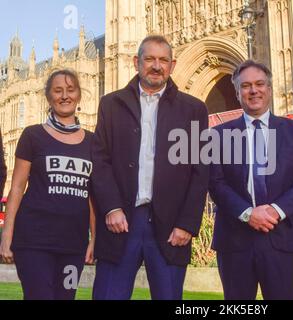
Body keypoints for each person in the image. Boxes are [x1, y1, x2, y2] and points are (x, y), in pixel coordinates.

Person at [91, 35, 209, 300]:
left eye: (163, 60)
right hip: (120, 222)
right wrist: (111, 207)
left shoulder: (193, 109)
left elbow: (200, 172)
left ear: (173, 65)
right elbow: (100, 162)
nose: (157, 66)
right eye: (150, 59)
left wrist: (187, 224)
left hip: (170, 228)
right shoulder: (111, 105)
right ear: (136, 62)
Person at [209, 60, 293, 300]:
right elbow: (215, 183)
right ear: (237, 93)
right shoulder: (219, 135)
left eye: (259, 84)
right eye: (246, 86)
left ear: (269, 89)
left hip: (284, 237)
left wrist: (276, 211)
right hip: (235, 240)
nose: (253, 90)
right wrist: (248, 213)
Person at [0, 69, 95, 300]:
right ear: (48, 97)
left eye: (70, 90)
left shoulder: (93, 142)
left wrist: (95, 239)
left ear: (80, 96)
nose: (65, 96)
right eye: (58, 90)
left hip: (73, 244)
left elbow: (94, 195)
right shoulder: (33, 136)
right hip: (34, 241)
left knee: (66, 297)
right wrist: (6, 235)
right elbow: (17, 188)